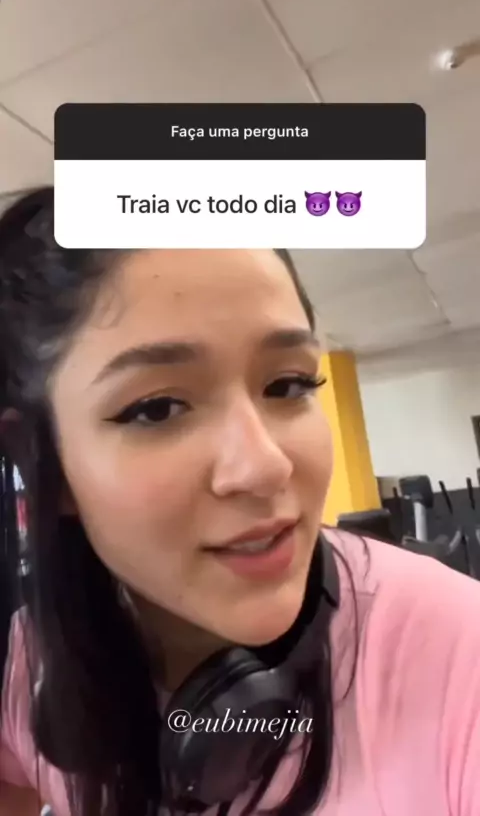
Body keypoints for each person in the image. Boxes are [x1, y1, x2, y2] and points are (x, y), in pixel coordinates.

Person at [0, 187, 479, 816]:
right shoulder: (28, 664)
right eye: (156, 408)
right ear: (43, 462)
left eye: (289, 384)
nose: (265, 466)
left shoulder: (460, 651)